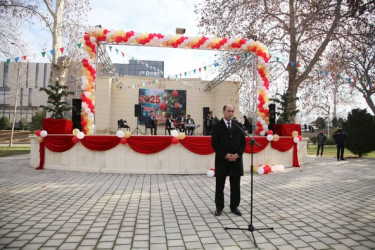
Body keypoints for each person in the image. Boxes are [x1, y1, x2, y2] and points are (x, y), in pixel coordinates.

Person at [211, 104, 246, 216]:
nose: (230, 113)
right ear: (223, 111)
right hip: (222, 160)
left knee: (235, 185)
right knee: (220, 184)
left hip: (236, 160)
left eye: (232, 111)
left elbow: (243, 143)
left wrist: (238, 154)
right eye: (228, 111)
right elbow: (214, 144)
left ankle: (234, 206)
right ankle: (219, 207)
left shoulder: (238, 125)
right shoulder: (217, 126)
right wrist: (225, 155)